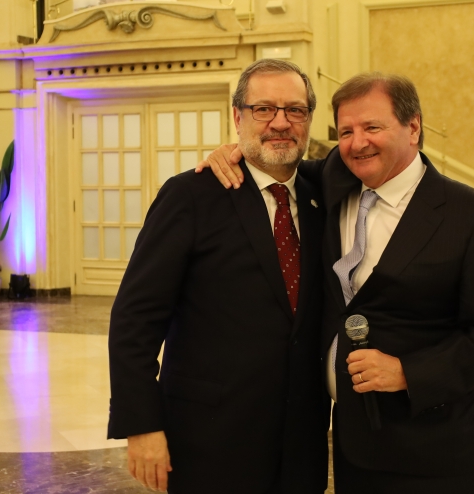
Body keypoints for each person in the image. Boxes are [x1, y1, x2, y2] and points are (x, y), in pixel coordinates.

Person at [201, 72, 474, 493]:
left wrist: (408, 372)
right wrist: (231, 153)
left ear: (413, 127)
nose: (357, 143)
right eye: (346, 132)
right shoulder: (330, 183)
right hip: (358, 450)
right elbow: (272, 158)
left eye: (372, 127)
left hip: (443, 452)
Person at [107, 59, 330, 494]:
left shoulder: (324, 193)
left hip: (299, 444)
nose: (280, 122)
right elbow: (135, 318)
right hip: (209, 440)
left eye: (295, 110)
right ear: (237, 117)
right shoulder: (191, 196)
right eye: (263, 109)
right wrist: (142, 425)